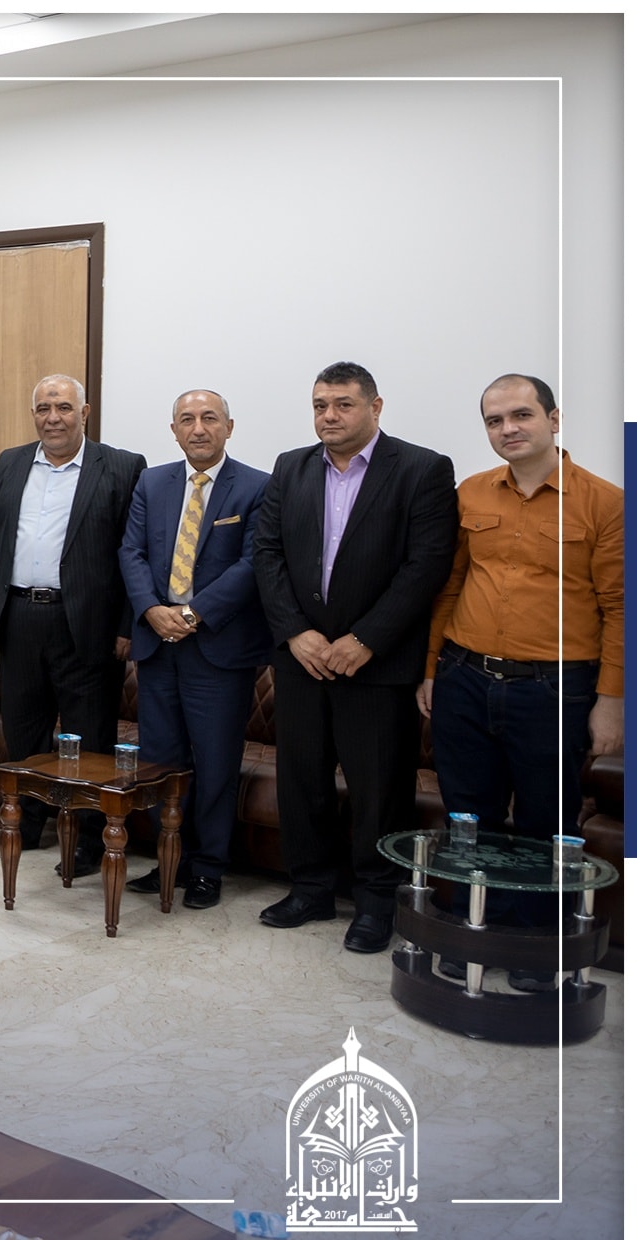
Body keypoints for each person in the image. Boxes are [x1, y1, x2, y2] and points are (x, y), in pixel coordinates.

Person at [420, 374, 623, 981]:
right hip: (464, 677)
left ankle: (534, 947)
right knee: (467, 818)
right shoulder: (471, 493)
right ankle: (471, 932)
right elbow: (450, 587)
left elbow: (620, 608)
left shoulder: (606, 502)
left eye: (521, 415)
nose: (508, 429)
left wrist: (611, 700)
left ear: (553, 420)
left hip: (554, 688)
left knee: (545, 822)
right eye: (494, 420)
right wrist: (431, 671)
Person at [251, 361, 457, 953]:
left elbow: (426, 566)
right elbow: (267, 553)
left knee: (378, 792)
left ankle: (375, 903)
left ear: (375, 407)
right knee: (302, 783)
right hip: (302, 661)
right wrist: (295, 633)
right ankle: (310, 889)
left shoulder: (421, 469)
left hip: (377, 665)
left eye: (343, 404)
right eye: (320, 405)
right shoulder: (290, 466)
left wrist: (366, 639)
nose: (329, 416)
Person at [0, 374, 146, 876]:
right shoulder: (11, 462)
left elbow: (134, 551)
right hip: (20, 614)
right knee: (22, 729)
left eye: (64, 408)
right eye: (44, 408)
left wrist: (127, 624)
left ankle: (90, 839)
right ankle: (26, 825)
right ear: (34, 415)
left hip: (87, 623)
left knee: (90, 735)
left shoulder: (121, 466)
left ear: (84, 413)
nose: (54, 418)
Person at [117, 389, 272, 909]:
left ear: (229, 426)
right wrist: (150, 609)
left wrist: (192, 613)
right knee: (161, 761)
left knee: (215, 764)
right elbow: (131, 552)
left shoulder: (257, 486)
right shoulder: (152, 482)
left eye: (209, 418)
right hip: (157, 646)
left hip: (218, 650)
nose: (198, 428)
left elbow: (252, 563)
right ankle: (170, 859)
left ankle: (207, 868)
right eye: (187, 419)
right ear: (174, 430)